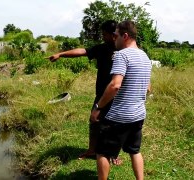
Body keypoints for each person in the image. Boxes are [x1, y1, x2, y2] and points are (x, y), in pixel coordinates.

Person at [48, 20, 119, 161]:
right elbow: (82, 51)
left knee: (115, 126)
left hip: (118, 95)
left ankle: (113, 155)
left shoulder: (125, 51)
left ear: (113, 35)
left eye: (105, 34)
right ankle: (92, 150)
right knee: (94, 121)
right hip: (101, 94)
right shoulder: (102, 48)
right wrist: (61, 54)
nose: (103, 37)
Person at [90, 20, 152, 180]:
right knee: (135, 151)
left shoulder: (122, 55)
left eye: (115, 35)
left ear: (125, 36)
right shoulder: (145, 56)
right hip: (138, 115)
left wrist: (98, 107)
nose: (113, 38)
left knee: (102, 152)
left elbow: (115, 86)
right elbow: (148, 88)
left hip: (119, 117)